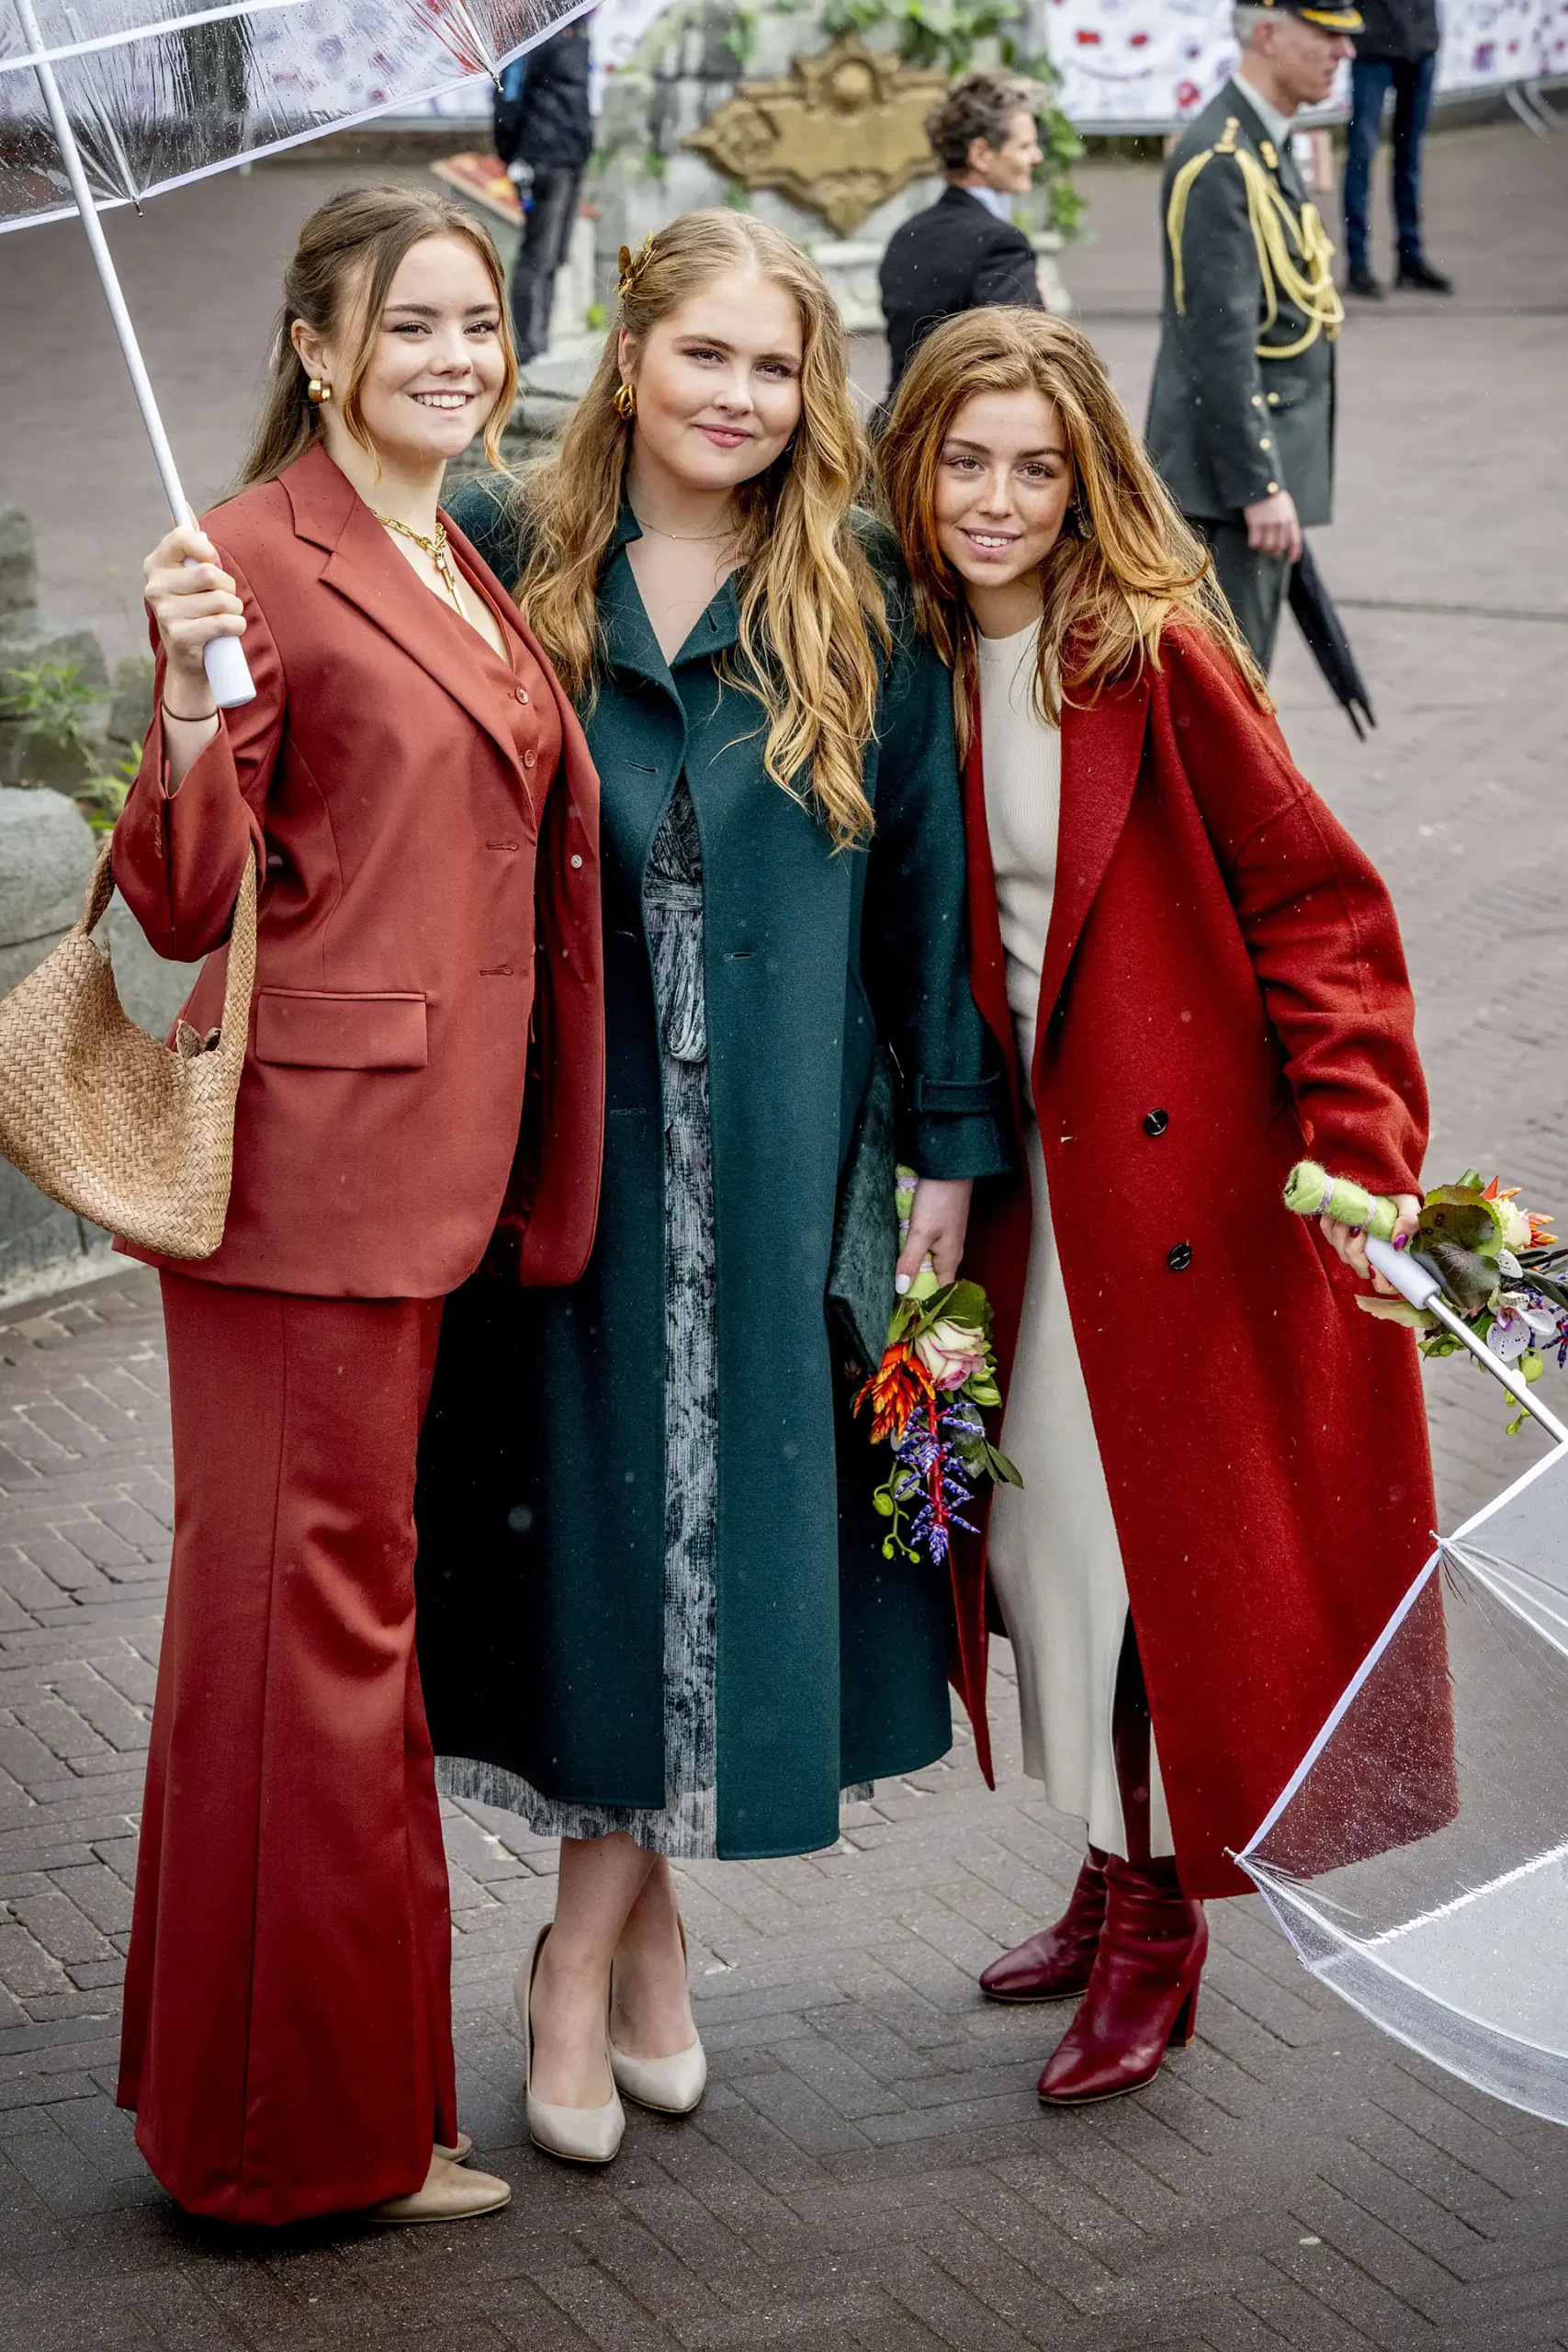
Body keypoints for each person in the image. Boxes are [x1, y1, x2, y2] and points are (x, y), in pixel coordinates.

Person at [413, 209, 1012, 2167]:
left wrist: (944, 1146)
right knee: (606, 1539)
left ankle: (574, 1960)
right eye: (706, 358)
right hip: (562, 1151)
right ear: (628, 352)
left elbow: (925, 898)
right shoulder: (509, 552)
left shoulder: (864, 597)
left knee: (728, 1543)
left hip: (779, 1152)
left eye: (775, 366)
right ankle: (627, 1951)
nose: (740, 399)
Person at [879, 305, 1445, 2105]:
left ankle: (1158, 1923)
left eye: (1032, 467)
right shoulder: (893, 658)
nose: (993, 497)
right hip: (1000, 1192)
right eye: (963, 459)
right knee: (1035, 1560)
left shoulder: (1149, 654)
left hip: (1174, 1192)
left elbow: (1316, 905)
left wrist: (1358, 1142)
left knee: (1119, 1566)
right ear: (914, 463)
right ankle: (1110, 1869)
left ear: (1083, 481)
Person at [110, 185, 604, 2225]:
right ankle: (285, 2140)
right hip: (307, 1187)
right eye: (410, 323)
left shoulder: (447, 543)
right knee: (300, 1633)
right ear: (317, 346)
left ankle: (334, 2100)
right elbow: (178, 891)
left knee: (332, 1631)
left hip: (425, 1175)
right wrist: (179, 694)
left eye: (478, 322)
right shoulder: (247, 554)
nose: (457, 357)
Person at [1145, 0, 1358, 672]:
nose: (1342, 52)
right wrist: (1258, 484)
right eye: (1325, 34)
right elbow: (1217, 342)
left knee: (1236, 688)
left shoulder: (1258, 142)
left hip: (1242, 481)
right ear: (1267, 34)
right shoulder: (1221, 160)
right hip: (1226, 486)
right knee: (1227, 694)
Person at [878, 70, 1045, 401]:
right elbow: (1027, 360)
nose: (1036, 157)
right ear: (981, 155)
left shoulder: (907, 234)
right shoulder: (1001, 244)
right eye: (1025, 145)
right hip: (955, 434)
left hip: (894, 426)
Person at [493, 17, 594, 363]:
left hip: (571, 160)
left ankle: (541, 343)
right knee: (536, 256)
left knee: (554, 256)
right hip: (538, 159)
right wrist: (513, 155)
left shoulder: (577, 32)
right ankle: (525, 346)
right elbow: (510, 96)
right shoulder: (528, 36)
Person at [1343, 0, 1451, 300]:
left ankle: (1410, 258)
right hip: (1373, 48)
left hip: (1420, 46)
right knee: (1362, 156)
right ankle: (1357, 264)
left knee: (1410, 158)